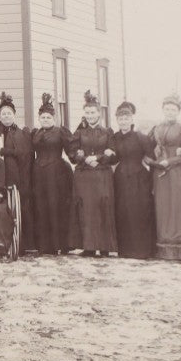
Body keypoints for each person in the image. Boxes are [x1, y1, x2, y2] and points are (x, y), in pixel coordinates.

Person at [67, 90, 118, 256]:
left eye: (93, 112)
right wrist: (83, 158)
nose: (90, 116)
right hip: (84, 175)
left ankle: (104, 247)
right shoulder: (80, 132)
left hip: (102, 174)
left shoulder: (108, 132)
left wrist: (99, 157)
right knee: (86, 209)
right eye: (87, 113)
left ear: (99, 113)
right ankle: (88, 246)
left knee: (102, 207)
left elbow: (113, 153)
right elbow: (72, 153)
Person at [148, 92, 181, 261]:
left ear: (178, 111)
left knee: (178, 206)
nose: (170, 112)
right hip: (160, 172)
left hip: (177, 171)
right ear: (163, 110)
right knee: (163, 206)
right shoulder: (156, 128)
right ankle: (163, 246)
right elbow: (147, 148)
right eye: (167, 109)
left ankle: (180, 246)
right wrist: (153, 161)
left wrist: (170, 161)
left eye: (173, 109)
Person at [111, 101, 157, 259]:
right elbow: (113, 157)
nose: (123, 122)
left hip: (139, 177)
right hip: (121, 176)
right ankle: (125, 250)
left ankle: (142, 250)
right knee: (123, 211)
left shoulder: (140, 137)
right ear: (117, 121)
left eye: (126, 119)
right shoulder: (114, 137)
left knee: (139, 211)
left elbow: (151, 156)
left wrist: (146, 166)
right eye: (120, 119)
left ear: (131, 120)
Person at [30, 93, 74, 255]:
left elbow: (72, 151)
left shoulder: (61, 132)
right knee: (41, 206)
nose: (45, 120)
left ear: (54, 118)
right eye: (43, 117)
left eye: (48, 117)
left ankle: (59, 244)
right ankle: (44, 245)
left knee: (56, 206)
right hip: (38, 172)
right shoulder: (35, 133)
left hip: (57, 173)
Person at [0, 94, 35, 252]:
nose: (6, 116)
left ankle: (24, 244)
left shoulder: (22, 133)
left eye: (9, 113)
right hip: (0, 175)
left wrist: (7, 151)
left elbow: (25, 155)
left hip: (17, 175)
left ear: (14, 115)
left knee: (20, 207)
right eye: (3, 114)